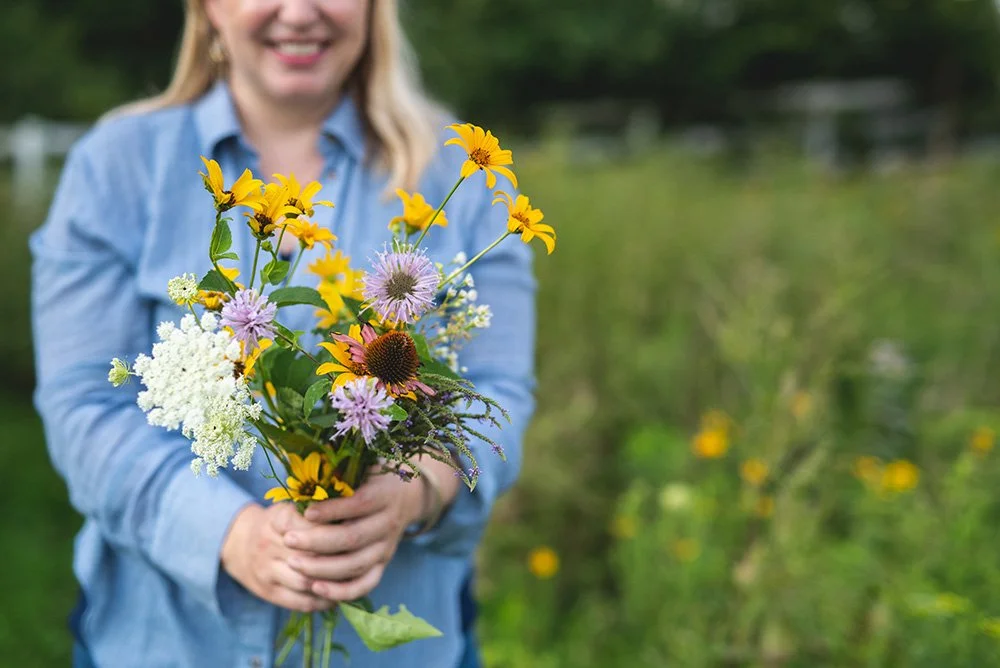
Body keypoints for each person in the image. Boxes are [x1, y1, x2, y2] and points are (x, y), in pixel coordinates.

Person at [29, 1, 536, 666]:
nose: (298, 13)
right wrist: (229, 534)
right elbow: (83, 406)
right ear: (208, 9)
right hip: (168, 642)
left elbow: (498, 395)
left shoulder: (459, 177)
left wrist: (415, 491)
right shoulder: (118, 165)